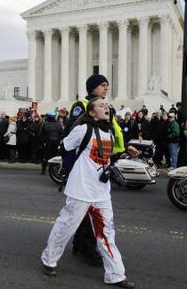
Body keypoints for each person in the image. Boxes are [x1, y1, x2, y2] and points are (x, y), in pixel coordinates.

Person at [41, 98, 135, 288]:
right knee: (66, 227)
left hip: (101, 193)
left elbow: (105, 156)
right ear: (92, 112)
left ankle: (116, 274)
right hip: (80, 191)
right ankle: (49, 259)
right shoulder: (83, 129)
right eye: (101, 105)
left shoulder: (108, 131)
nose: (106, 107)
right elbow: (65, 147)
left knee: (107, 234)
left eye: (107, 105)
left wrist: (125, 153)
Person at [65, 74, 126, 267]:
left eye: (107, 85)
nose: (106, 88)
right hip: (87, 165)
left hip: (104, 160)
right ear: (92, 88)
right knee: (87, 210)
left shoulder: (106, 107)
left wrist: (125, 147)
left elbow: (112, 131)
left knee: (90, 209)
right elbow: (74, 135)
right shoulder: (82, 105)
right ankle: (87, 248)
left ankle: (80, 244)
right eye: (102, 85)